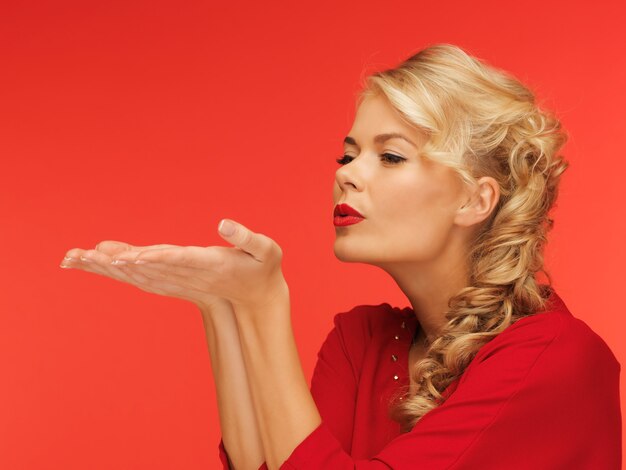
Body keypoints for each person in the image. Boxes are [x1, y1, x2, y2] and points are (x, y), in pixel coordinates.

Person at [60, 43, 622, 469]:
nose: (346, 174)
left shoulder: (554, 359)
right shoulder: (365, 342)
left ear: (476, 199)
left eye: (392, 156)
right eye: (348, 153)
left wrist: (265, 305)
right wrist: (222, 309)